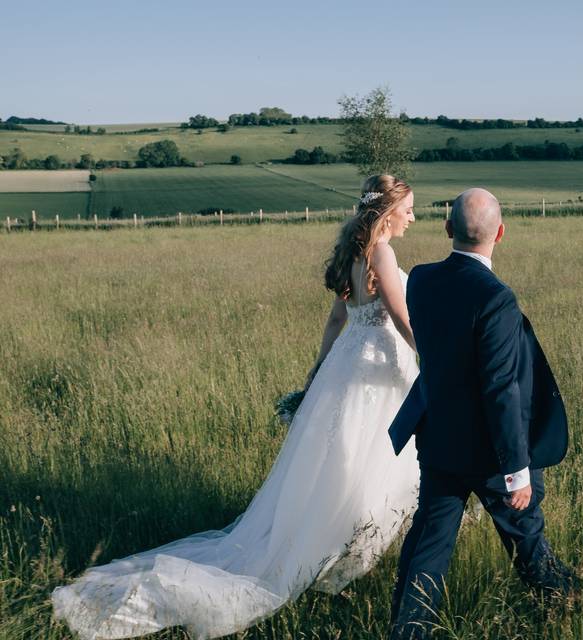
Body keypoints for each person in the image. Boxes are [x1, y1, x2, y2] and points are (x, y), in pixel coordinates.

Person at [51, 175, 421, 640]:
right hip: (377, 367)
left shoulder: (353, 252)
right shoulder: (382, 253)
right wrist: (429, 355)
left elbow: (336, 319)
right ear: (388, 210)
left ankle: (328, 549)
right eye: (408, 207)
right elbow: (401, 313)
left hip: (348, 364)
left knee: (340, 466)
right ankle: (334, 558)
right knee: (367, 464)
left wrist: (318, 373)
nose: (412, 215)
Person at [387, 188, 576, 639]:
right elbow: (500, 390)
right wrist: (517, 470)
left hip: (439, 441)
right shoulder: (496, 297)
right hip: (492, 453)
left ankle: (407, 632)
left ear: (448, 228)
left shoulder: (423, 280)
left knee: (428, 545)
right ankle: (570, 604)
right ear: (501, 234)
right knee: (525, 536)